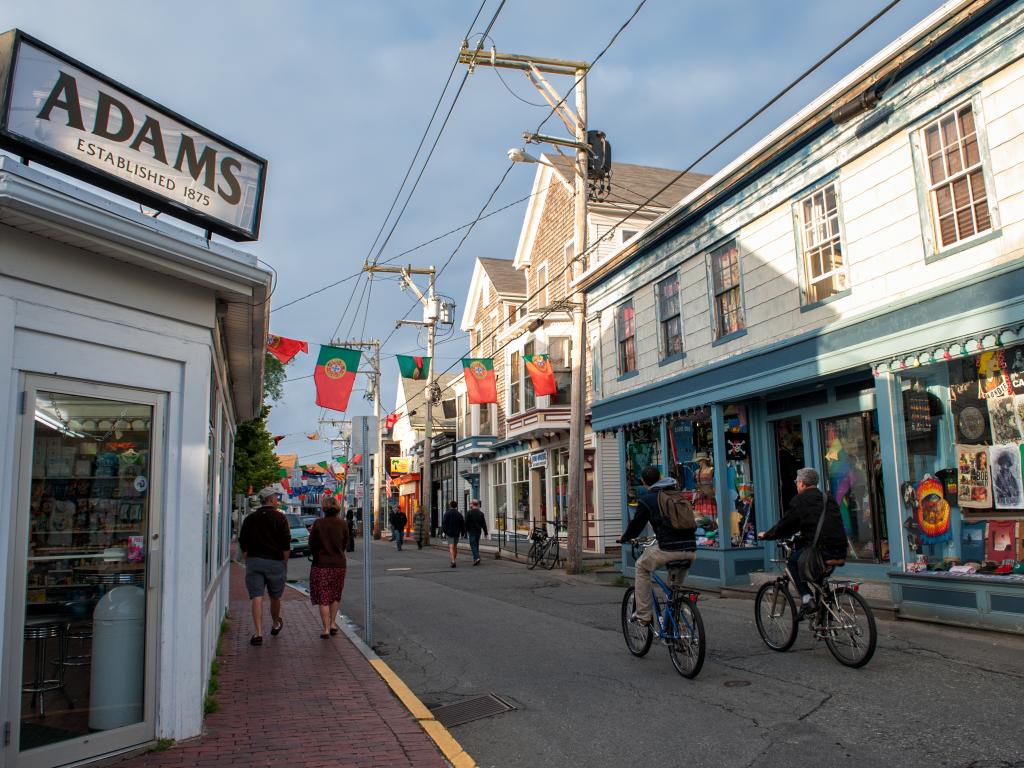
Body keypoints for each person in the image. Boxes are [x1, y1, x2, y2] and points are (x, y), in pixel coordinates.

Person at [758, 467, 848, 615]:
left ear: (802, 483)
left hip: (821, 551)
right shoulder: (827, 497)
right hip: (840, 548)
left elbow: (786, 524)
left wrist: (767, 535)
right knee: (817, 574)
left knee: (793, 563)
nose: (796, 484)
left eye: (796, 482)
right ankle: (825, 616)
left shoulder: (800, 500)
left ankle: (806, 598)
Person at [616, 466, 696, 627]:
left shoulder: (648, 498)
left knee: (641, 567)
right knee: (673, 589)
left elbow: (636, 525)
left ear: (644, 482)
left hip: (668, 549)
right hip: (690, 549)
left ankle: (643, 615)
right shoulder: (676, 493)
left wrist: (624, 538)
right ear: (661, 477)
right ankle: (674, 626)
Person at [238, 485, 291, 646]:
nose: (277, 500)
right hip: (275, 561)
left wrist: (248, 558)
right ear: (271, 499)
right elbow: (285, 543)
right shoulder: (280, 518)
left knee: (256, 596)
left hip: (254, 560)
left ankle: (258, 632)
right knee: (275, 596)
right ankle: (275, 623)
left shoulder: (250, 518)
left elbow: (243, 542)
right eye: (276, 497)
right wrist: (284, 562)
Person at [308, 495, 349, 639]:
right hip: (339, 564)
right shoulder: (343, 524)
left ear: (324, 508)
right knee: (335, 594)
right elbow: (345, 544)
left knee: (323, 596)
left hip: (321, 564)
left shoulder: (318, 523)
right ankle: (333, 623)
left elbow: (312, 543)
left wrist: (316, 554)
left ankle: (325, 629)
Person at [441, 500, 466, 568]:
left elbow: (444, 523)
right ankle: (454, 560)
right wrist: (463, 532)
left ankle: (453, 561)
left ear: (450, 505)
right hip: (457, 532)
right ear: (456, 506)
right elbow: (462, 524)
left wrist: (444, 531)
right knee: (455, 547)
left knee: (451, 547)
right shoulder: (459, 514)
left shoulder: (447, 513)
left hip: (450, 532)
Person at [465, 499, 488, 565]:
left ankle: (476, 558)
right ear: (477, 505)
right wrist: (485, 532)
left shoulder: (469, 513)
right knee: (476, 544)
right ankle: (476, 558)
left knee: (473, 545)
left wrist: (465, 531)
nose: (470, 505)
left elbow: (466, 523)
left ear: (472, 504)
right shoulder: (481, 513)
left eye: (470, 503)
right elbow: (484, 524)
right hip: (478, 531)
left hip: (471, 531)